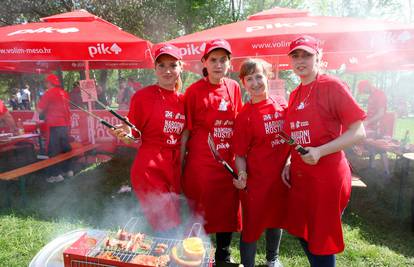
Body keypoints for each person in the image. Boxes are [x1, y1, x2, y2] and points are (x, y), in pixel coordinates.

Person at [282, 35, 366, 267]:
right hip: (302, 176)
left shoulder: (331, 85)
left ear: (318, 57)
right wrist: (290, 160)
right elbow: (296, 134)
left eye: (306, 55)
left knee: (321, 238)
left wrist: (319, 151)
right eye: (296, 56)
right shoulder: (295, 93)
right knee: (301, 230)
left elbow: (358, 132)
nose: (301, 60)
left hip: (327, 177)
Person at [112, 44, 185, 235]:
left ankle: (166, 259)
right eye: (161, 65)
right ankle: (169, 261)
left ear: (180, 67)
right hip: (150, 167)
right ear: (155, 68)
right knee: (167, 223)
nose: (167, 70)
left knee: (172, 216)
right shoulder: (142, 97)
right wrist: (125, 134)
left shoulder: (185, 100)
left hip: (174, 167)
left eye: (172, 65)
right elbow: (132, 135)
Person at [181, 38, 243, 263]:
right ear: (204, 63)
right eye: (213, 60)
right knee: (201, 210)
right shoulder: (194, 91)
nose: (218, 65)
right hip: (201, 162)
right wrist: (182, 164)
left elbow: (237, 123)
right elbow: (186, 131)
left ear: (230, 63)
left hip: (226, 161)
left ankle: (223, 256)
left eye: (223, 60)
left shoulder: (234, 87)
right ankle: (198, 255)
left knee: (226, 209)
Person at [232, 59, 289, 267]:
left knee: (276, 221)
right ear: (243, 83)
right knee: (252, 228)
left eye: (259, 76)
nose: (255, 82)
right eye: (249, 79)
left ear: (268, 77)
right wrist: (242, 175)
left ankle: (272, 260)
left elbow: (291, 140)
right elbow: (239, 154)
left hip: (281, 180)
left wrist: (290, 161)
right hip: (256, 184)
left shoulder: (282, 105)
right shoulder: (245, 116)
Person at [37, 74, 73, 183]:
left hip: (54, 125)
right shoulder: (64, 93)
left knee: (54, 150)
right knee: (65, 149)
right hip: (65, 124)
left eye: (46, 83)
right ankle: (68, 170)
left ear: (49, 83)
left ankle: (56, 174)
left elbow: (39, 109)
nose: (45, 85)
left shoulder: (48, 93)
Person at [357, 80, 390, 176]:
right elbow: (371, 112)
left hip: (379, 126)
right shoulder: (372, 95)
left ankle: (386, 172)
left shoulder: (380, 94)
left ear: (367, 86)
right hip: (372, 126)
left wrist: (368, 122)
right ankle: (372, 167)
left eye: (363, 90)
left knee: (381, 148)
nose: (363, 92)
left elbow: (381, 113)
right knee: (371, 144)